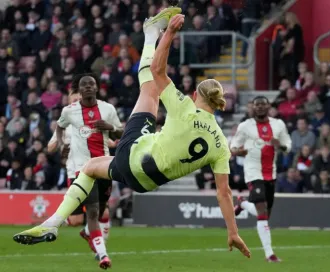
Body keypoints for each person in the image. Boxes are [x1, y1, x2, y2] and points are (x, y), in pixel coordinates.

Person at [13, 8, 251, 262]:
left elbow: (158, 70)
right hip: (145, 183)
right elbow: (224, 193)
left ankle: (150, 34)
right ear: (218, 104)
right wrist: (233, 231)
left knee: (150, 90)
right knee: (93, 166)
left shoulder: (185, 108)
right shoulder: (221, 144)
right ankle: (54, 224)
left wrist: (167, 34)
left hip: (134, 158)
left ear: (196, 96)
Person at [44, 73, 123, 268]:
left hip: (103, 168)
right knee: (88, 215)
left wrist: (110, 130)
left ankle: (91, 236)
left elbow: (118, 133)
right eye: (81, 88)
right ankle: (102, 252)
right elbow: (53, 141)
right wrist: (62, 145)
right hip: (79, 171)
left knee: (98, 212)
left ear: (96, 88)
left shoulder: (107, 109)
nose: (84, 92)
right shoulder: (69, 114)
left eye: (91, 85)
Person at [231, 96, 291, 262]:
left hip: (270, 173)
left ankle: (242, 203)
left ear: (268, 106)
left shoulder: (278, 125)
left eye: (263, 104)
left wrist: (280, 145)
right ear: (253, 107)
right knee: (262, 211)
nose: (260, 108)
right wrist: (237, 151)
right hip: (252, 172)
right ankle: (269, 254)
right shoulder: (245, 126)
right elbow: (234, 146)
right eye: (257, 105)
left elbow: (288, 145)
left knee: (265, 213)